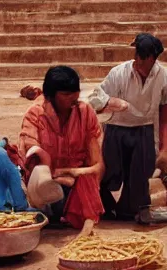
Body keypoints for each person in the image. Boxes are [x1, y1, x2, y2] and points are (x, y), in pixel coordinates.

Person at [86, 33, 167, 225]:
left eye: (142, 56)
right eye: (136, 55)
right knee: (109, 171)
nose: (137, 60)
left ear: (152, 58)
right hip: (117, 127)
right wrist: (110, 102)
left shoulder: (164, 78)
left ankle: (133, 208)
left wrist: (166, 148)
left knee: (140, 173)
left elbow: (166, 115)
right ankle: (103, 205)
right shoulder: (119, 73)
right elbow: (95, 99)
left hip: (144, 130)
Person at [19, 66, 104, 237]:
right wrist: (56, 175)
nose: (73, 98)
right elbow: (34, 162)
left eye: (76, 92)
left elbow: (98, 167)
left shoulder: (86, 113)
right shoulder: (34, 115)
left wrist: (69, 173)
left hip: (75, 184)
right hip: (46, 188)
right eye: (66, 94)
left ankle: (85, 224)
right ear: (51, 96)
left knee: (87, 180)